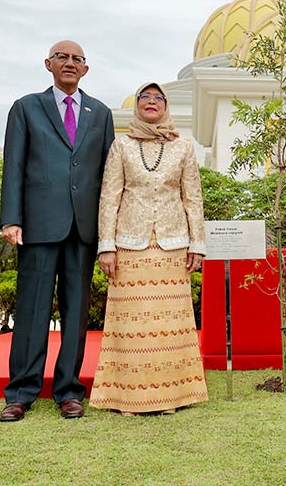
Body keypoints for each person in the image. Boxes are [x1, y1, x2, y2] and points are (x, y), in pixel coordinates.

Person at [0, 40, 114, 422]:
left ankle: (68, 391)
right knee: (31, 311)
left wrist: (107, 231)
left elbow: (108, 176)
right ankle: (20, 392)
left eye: (77, 59)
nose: (69, 63)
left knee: (76, 313)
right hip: (38, 227)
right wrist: (11, 218)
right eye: (62, 57)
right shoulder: (26, 107)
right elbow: (13, 165)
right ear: (48, 64)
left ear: (86, 68)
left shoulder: (101, 113)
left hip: (83, 228)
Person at [89, 82, 208, 415]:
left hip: (172, 245)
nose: (151, 102)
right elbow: (109, 197)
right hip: (129, 244)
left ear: (166, 106)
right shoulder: (121, 146)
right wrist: (106, 246)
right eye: (145, 97)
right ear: (137, 105)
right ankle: (128, 398)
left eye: (158, 98)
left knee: (169, 325)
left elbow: (192, 197)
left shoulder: (183, 147)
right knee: (131, 324)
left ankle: (170, 397)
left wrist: (197, 243)